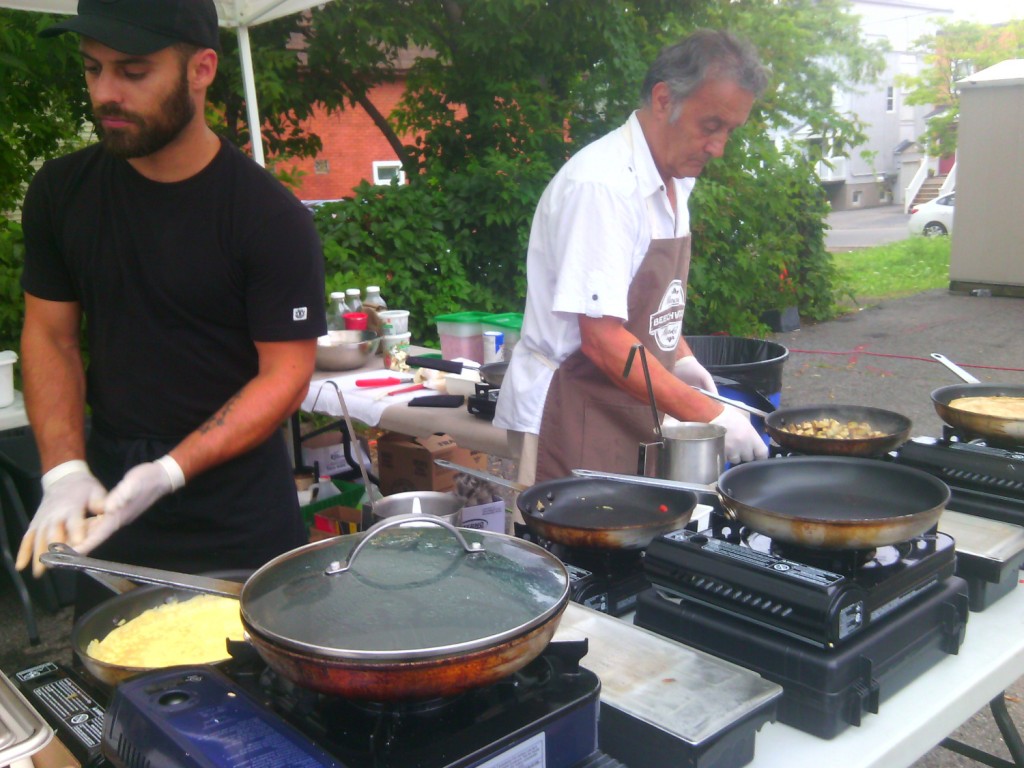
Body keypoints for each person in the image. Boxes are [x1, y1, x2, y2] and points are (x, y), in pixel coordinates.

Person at [15, 0, 328, 617]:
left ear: (202, 69)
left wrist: (168, 471)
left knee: (256, 698)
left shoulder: (268, 218)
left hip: (237, 512)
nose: (106, 92)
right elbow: (50, 338)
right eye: (92, 68)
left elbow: (286, 376)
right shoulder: (61, 194)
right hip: (106, 505)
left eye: (133, 72)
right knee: (114, 694)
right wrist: (62, 471)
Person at [494, 30, 770, 484]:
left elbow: (650, 304)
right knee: (567, 553)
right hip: (570, 410)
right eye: (711, 125)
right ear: (664, 100)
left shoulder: (678, 179)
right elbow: (602, 340)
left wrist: (679, 358)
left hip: (630, 406)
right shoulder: (603, 187)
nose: (719, 147)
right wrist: (711, 413)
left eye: (730, 131)